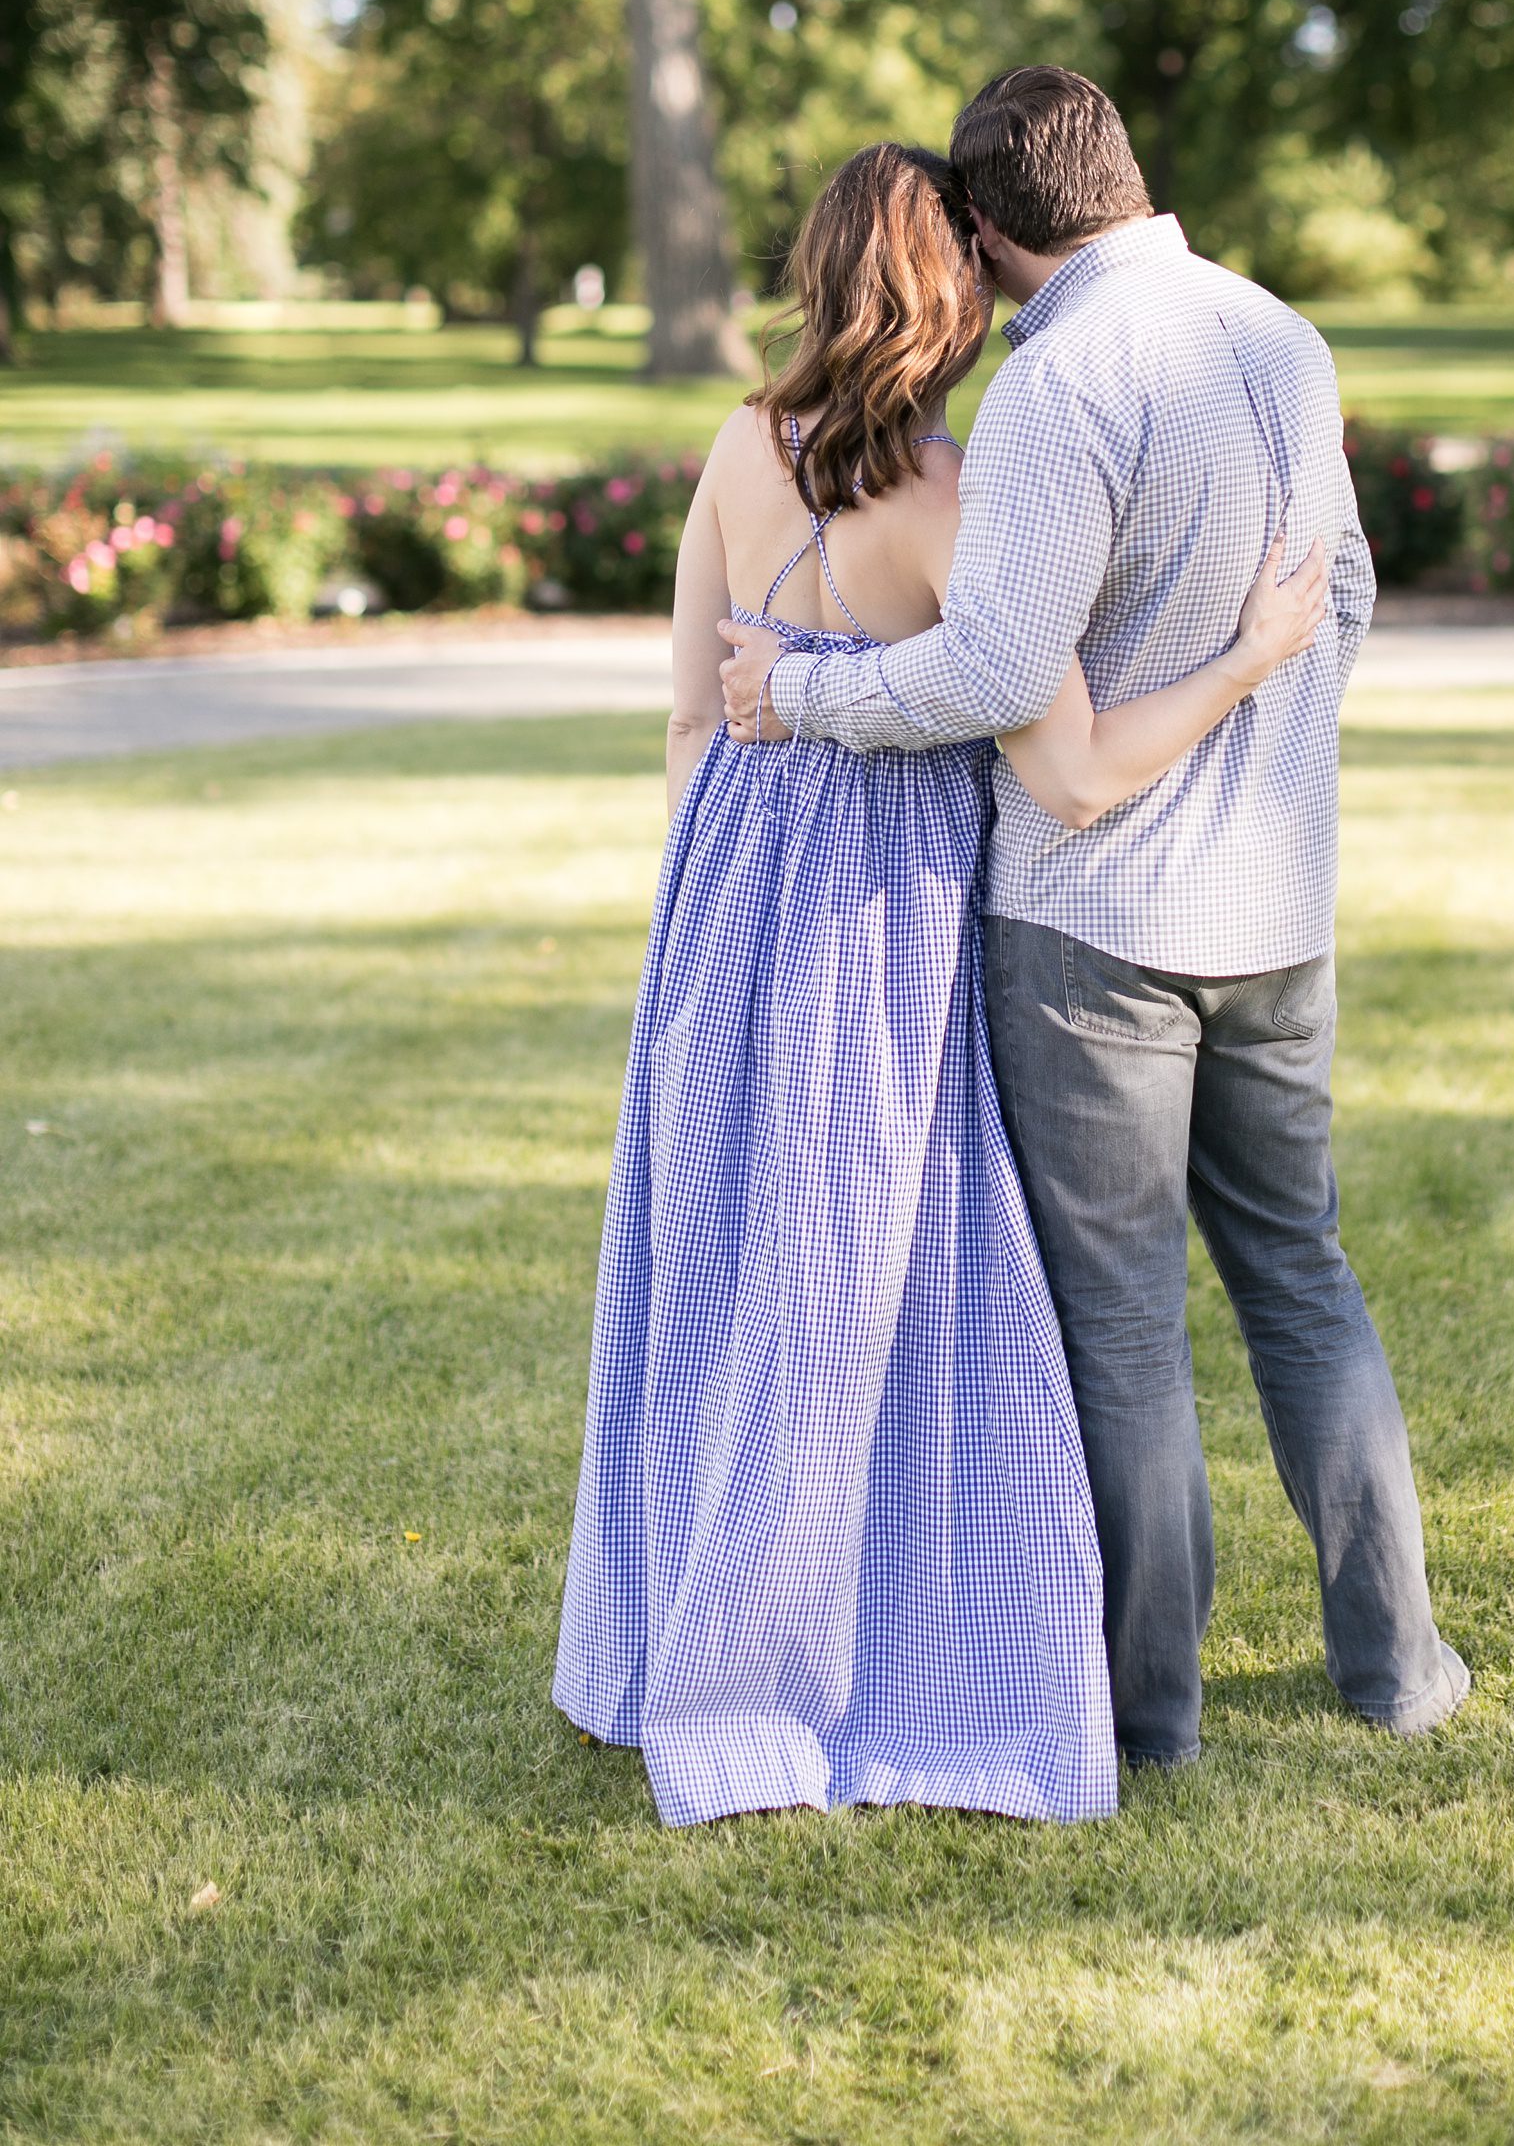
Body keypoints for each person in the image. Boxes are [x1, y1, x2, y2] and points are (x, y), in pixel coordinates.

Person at [553, 141, 1328, 1826]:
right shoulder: (961, 503)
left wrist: (707, 909)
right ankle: (848, 1658)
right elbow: (1079, 769)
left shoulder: (734, 450)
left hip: (721, 912)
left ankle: (667, 1647)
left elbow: (693, 720)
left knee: (713, 1287)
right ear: (955, 294)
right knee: (872, 1308)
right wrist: (1257, 655)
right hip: (883, 938)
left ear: (819, 274)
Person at [722, 69, 1469, 1769]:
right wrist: (1265, 731)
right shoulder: (1283, 338)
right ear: (1124, 176)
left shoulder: (1064, 383)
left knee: (1122, 1325)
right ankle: (1398, 1670)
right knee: (1303, 1277)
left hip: (1095, 927)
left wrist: (804, 701)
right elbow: (1339, 597)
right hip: (1279, 901)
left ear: (991, 231)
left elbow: (995, 678)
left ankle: (1147, 1719)